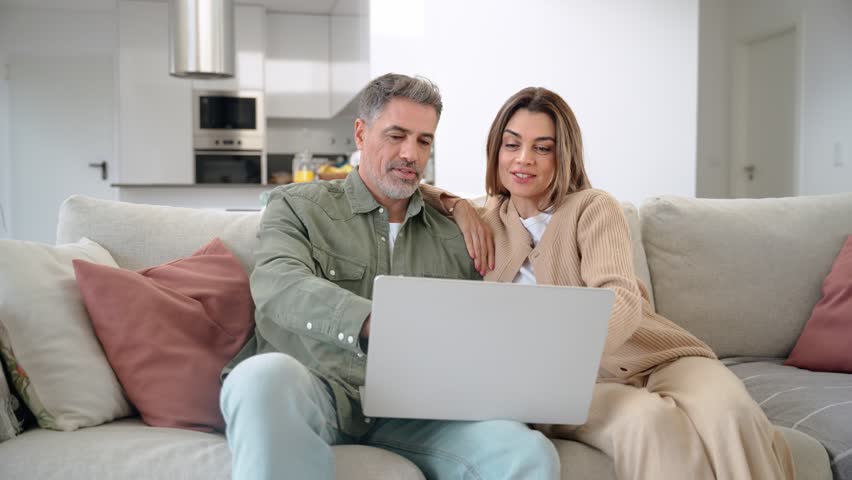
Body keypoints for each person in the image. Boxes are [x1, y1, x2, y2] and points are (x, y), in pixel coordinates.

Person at [421, 86, 796, 480]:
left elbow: (620, 296)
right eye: (511, 145)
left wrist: (563, 347)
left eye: (542, 148)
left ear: (563, 154)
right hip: (568, 388)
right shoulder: (484, 216)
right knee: (648, 423)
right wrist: (457, 204)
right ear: (496, 150)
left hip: (660, 357)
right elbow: (408, 187)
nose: (523, 159)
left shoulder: (592, 207)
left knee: (732, 413)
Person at [218, 74, 560, 480]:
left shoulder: (457, 232)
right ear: (361, 133)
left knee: (525, 451)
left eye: (423, 141)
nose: (410, 154)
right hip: (316, 392)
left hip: (415, 413)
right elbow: (279, 286)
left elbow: (479, 331)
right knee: (259, 378)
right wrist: (372, 321)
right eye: (396, 135)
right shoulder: (296, 207)